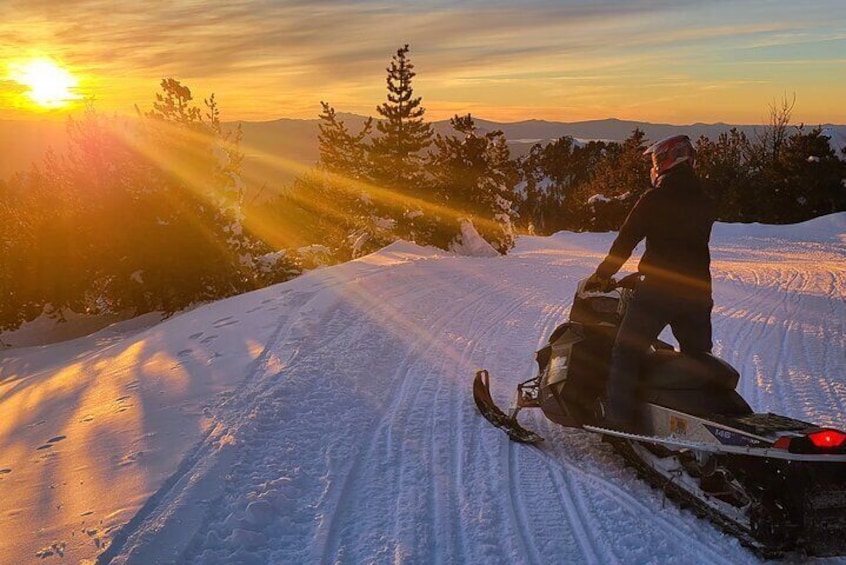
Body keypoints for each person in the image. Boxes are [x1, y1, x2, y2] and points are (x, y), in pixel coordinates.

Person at [585, 134, 715, 431]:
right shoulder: (705, 200)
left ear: (664, 161)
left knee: (626, 350)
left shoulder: (654, 199)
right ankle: (700, 420)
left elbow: (625, 242)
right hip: (698, 292)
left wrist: (602, 275)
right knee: (696, 360)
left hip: (659, 291)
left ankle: (618, 420)